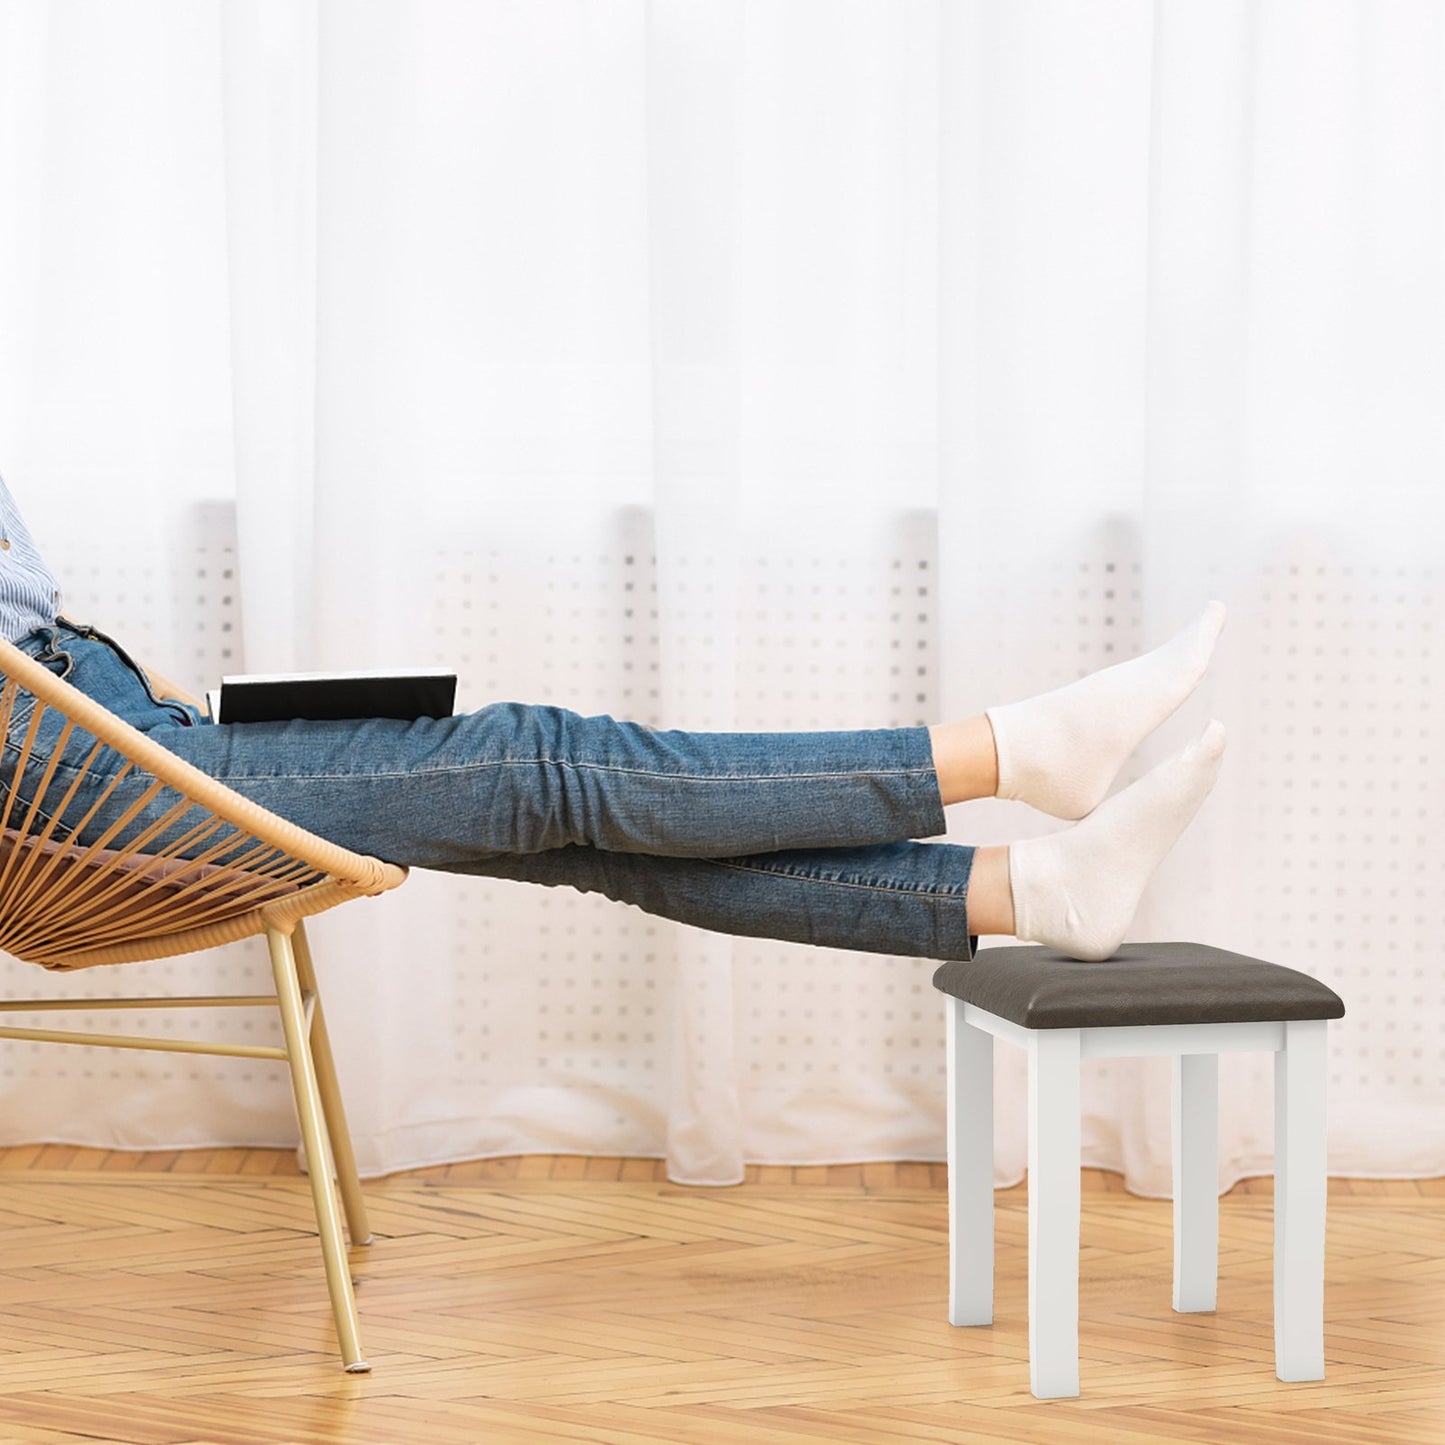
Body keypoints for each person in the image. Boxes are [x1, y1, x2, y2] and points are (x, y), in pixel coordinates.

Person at [0, 473, 1224, 964]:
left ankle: (1028, 890)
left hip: (89, 714)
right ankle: (1007, 752)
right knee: (535, 765)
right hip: (47, 763)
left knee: (577, 828)